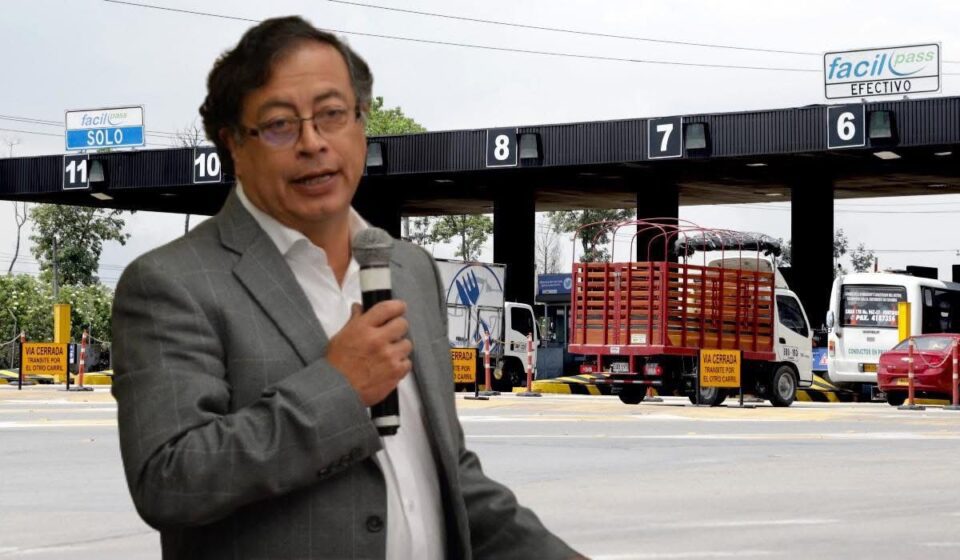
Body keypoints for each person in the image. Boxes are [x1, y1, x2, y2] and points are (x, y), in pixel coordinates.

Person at [111, 15, 583, 560]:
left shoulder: (410, 269)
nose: (313, 143)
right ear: (234, 144)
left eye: (332, 114)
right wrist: (339, 387)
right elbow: (170, 480)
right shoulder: (171, 283)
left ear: (361, 123)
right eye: (280, 124)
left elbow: (449, 479)